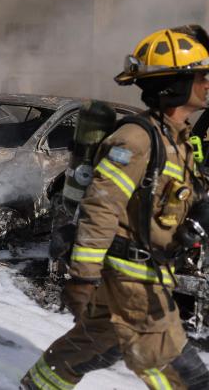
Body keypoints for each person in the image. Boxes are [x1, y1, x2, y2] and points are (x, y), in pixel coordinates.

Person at [22, 25, 209, 390]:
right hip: (132, 279)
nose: (207, 83)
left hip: (151, 271)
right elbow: (101, 208)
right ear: (174, 85)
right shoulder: (136, 140)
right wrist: (83, 277)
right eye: (200, 76)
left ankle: (37, 385)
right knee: (185, 377)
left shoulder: (179, 142)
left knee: (96, 345)